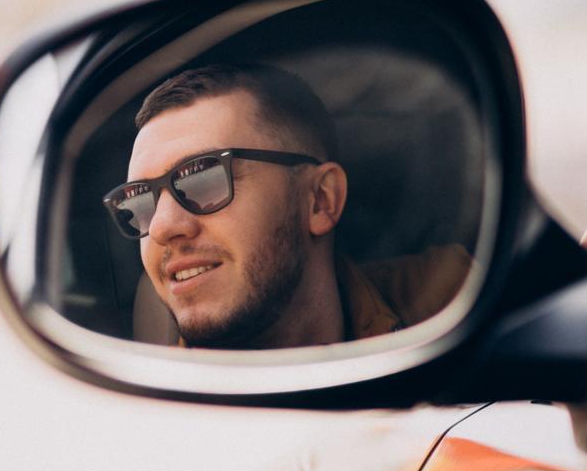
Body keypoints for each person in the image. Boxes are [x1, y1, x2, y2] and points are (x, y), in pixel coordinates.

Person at [103, 63, 469, 349]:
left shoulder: (450, 301)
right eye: (141, 199)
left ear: (320, 200)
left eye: (202, 178)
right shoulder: (151, 410)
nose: (163, 227)